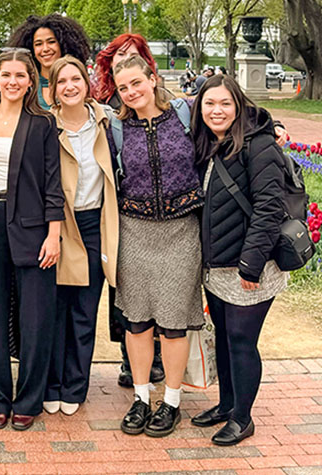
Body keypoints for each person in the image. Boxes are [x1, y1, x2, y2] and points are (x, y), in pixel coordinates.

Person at [0, 49, 64, 431]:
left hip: (31, 224)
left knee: (35, 317)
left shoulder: (41, 123)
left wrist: (53, 233)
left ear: (30, 81)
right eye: (5, 74)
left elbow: (53, 182)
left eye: (19, 76)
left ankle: (29, 398)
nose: (11, 81)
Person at [111, 54, 204, 438]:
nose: (132, 92)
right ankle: (140, 396)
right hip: (134, 231)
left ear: (153, 78)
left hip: (181, 232)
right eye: (123, 88)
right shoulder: (116, 128)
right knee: (137, 322)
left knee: (173, 323)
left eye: (137, 83)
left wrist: (276, 125)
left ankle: (171, 401)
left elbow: (237, 116)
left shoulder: (186, 115)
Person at [192, 75, 286, 446]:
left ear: (239, 106)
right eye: (209, 104)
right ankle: (227, 404)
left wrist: (251, 262)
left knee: (242, 340)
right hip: (217, 265)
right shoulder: (207, 143)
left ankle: (243, 418)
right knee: (225, 340)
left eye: (225, 104)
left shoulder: (259, 144)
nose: (217, 111)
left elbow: (269, 207)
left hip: (250, 266)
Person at [91, 33, 167, 387]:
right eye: (119, 56)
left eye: (133, 56)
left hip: (168, 218)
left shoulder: (170, 103)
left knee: (164, 294)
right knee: (126, 293)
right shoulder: (104, 102)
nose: (126, 61)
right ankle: (130, 358)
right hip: (123, 212)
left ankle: (161, 360)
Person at [44, 56, 118, 417]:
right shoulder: (44, 126)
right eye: (62, 81)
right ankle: (51, 384)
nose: (70, 86)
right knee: (53, 312)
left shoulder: (108, 122)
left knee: (84, 312)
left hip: (94, 226)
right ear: (53, 90)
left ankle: (75, 386)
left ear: (87, 83)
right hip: (57, 226)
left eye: (76, 79)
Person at [6, 14, 92, 109]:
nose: (45, 49)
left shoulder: (80, 85)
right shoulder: (24, 86)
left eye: (51, 42)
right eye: (38, 44)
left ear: (63, 45)